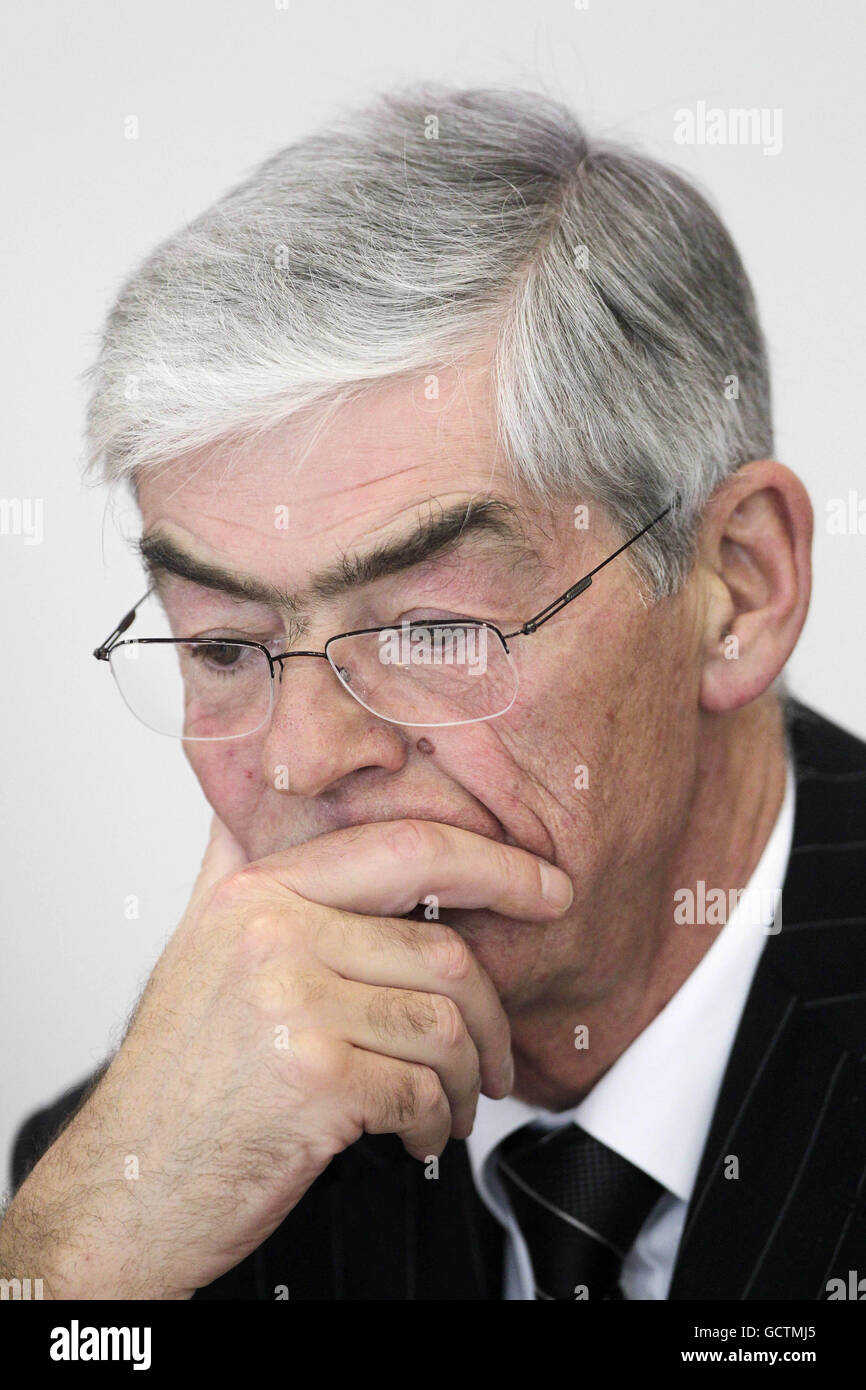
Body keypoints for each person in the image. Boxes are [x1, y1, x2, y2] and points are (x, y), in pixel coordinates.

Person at [3, 85, 864, 1301]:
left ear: (736, 587)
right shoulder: (140, 1188)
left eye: (433, 630)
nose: (302, 758)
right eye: (224, 645)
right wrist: (72, 1268)